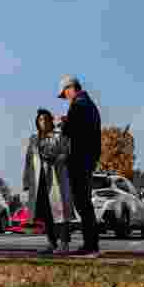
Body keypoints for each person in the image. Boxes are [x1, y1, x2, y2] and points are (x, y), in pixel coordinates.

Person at [58, 75, 101, 257]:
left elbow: (71, 131)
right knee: (84, 202)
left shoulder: (79, 104)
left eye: (64, 93)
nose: (65, 97)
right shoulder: (89, 104)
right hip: (88, 158)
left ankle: (90, 244)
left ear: (70, 88)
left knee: (82, 202)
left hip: (79, 158)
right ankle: (91, 243)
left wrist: (63, 122)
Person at [23, 109, 74, 255]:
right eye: (40, 120)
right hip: (39, 181)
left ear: (51, 121)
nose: (43, 122)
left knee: (61, 213)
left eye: (46, 119)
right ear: (37, 123)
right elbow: (28, 161)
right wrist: (26, 181)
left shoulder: (59, 136)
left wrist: (59, 158)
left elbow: (66, 152)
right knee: (46, 214)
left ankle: (64, 244)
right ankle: (52, 243)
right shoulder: (34, 139)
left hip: (56, 180)